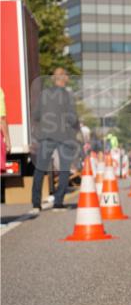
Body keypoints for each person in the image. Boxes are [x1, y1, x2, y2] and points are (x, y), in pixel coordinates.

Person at [30, 68, 81, 213]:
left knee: (40, 169)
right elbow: (72, 118)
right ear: (64, 78)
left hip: (46, 136)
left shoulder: (44, 94)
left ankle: (36, 204)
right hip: (64, 136)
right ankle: (58, 203)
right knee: (64, 169)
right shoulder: (68, 96)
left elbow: (36, 115)